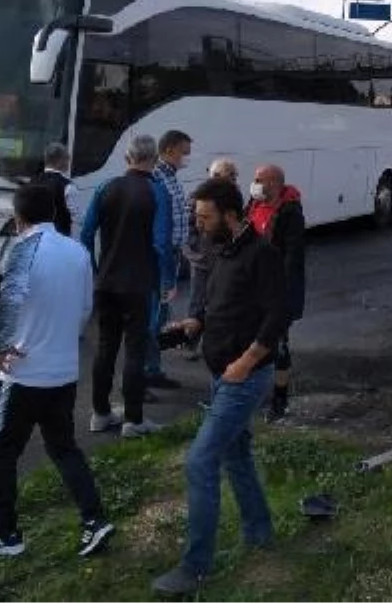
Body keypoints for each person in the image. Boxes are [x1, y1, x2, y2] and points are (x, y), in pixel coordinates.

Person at [0, 184, 114, 558]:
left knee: (0, 450)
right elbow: (83, 309)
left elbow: (9, 301)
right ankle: (94, 519)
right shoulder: (77, 251)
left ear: (18, 218)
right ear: (55, 212)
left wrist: (0, 344)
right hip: (63, 372)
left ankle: (5, 533)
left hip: (23, 374)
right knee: (63, 448)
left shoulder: (21, 250)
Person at [151, 178, 289, 596]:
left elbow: (277, 316)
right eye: (197, 216)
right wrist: (194, 325)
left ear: (230, 215)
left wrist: (245, 363)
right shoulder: (220, 249)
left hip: (244, 376)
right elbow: (223, 306)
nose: (199, 224)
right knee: (237, 455)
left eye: (205, 216)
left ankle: (195, 568)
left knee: (199, 462)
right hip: (221, 372)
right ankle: (260, 531)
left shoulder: (261, 254)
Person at [80, 134, 174, 439]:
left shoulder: (106, 187)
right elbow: (161, 244)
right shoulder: (158, 192)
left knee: (106, 346)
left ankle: (100, 413)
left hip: (106, 281)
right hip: (139, 282)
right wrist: (166, 282)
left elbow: (86, 232)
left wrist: (95, 269)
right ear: (156, 160)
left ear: (127, 158)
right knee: (135, 349)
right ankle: (134, 420)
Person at [245, 164, 305, 422]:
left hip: (275, 290)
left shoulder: (289, 213)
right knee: (250, 341)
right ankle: (253, 393)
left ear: (274, 183)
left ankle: (279, 400)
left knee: (278, 344)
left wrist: (283, 295)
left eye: (259, 179)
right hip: (252, 287)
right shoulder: (254, 205)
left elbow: (293, 258)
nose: (254, 183)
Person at [147, 130, 192, 390]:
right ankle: (146, 372)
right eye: (183, 152)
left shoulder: (170, 177)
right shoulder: (159, 177)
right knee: (154, 317)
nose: (186, 158)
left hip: (171, 254)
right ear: (169, 150)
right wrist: (166, 273)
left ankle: (153, 368)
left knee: (160, 316)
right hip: (162, 257)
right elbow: (161, 229)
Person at [182, 158, 239, 360]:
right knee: (197, 302)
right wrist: (196, 253)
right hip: (203, 261)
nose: (233, 179)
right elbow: (186, 229)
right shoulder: (198, 197)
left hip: (225, 260)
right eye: (229, 175)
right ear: (214, 176)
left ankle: (215, 342)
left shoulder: (235, 197)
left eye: (234, 175)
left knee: (221, 302)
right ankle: (190, 342)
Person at [31, 143, 78, 237]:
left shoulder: (32, 181)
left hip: (35, 239)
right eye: (67, 159)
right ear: (60, 160)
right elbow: (76, 218)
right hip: (59, 240)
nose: (68, 163)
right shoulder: (68, 186)